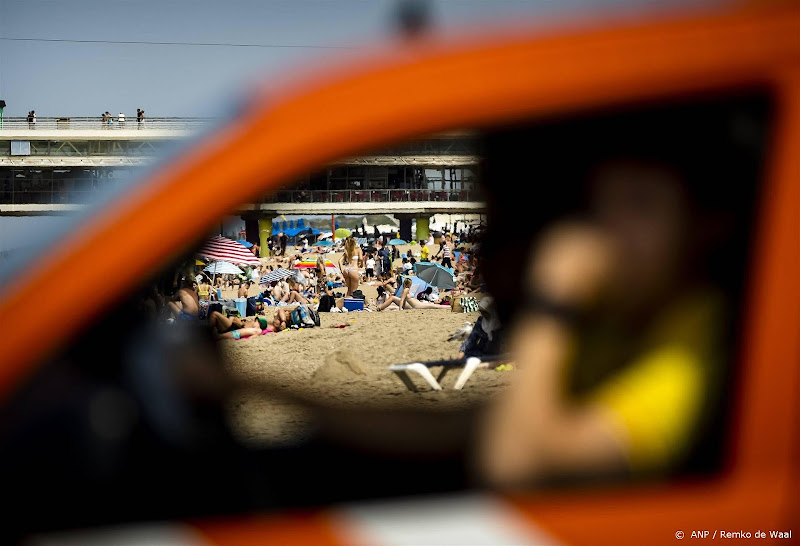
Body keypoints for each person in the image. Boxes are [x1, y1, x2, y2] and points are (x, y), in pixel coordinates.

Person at [480, 154, 735, 486]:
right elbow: (498, 416)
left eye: (641, 205)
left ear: (701, 226)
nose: (611, 232)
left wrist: (552, 301)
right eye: (603, 204)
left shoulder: (698, 335)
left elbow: (514, 465)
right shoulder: (618, 305)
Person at [377, 278, 449, 311]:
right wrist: (400, 308)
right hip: (414, 304)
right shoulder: (406, 289)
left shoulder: (406, 289)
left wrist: (400, 308)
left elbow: (402, 299)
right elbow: (402, 299)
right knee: (434, 306)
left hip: (415, 304)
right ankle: (381, 307)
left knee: (434, 306)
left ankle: (449, 306)